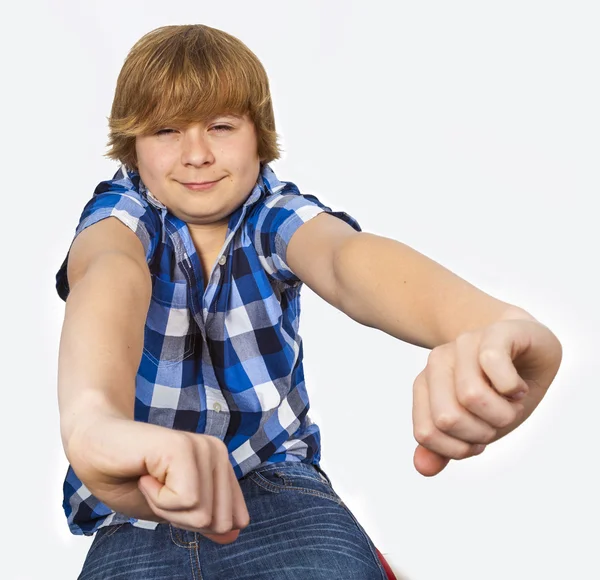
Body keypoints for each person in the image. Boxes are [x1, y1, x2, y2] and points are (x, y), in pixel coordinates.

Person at [55, 23, 562, 580]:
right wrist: (91, 420)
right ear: (133, 146)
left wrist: (494, 323)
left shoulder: (272, 213)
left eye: (221, 126)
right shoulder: (123, 216)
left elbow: (346, 261)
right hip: (136, 514)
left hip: (279, 489)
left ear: (258, 136)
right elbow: (107, 271)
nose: (196, 154)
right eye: (167, 130)